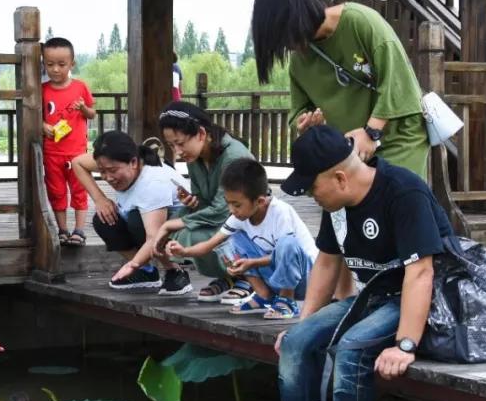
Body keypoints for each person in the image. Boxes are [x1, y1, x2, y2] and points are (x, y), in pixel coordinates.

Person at [241, 125, 452, 401]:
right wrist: (301, 324)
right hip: (374, 294)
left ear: (339, 177)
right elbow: (326, 261)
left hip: (424, 294)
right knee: (298, 340)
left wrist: (405, 343)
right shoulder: (337, 206)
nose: (309, 195)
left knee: (352, 346)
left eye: (311, 187)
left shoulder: (403, 191)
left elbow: (422, 272)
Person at [251, 0, 429, 178]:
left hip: (398, 138)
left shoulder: (360, 22)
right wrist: (306, 124)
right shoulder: (299, 62)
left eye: (280, 38)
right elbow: (298, 111)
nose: (284, 47)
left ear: (292, 21)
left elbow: (397, 83)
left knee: (396, 198)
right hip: (351, 150)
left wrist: (371, 133)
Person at [165, 158, 317, 320]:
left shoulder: (281, 213)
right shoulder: (240, 217)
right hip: (274, 278)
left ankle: (287, 300)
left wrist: (251, 263)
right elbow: (211, 244)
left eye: (236, 205)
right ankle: (263, 295)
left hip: (306, 279)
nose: (232, 210)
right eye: (228, 203)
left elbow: (285, 254)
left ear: (259, 201)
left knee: (287, 244)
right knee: (232, 239)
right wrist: (184, 251)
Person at [151, 102, 255, 304]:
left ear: (200, 133)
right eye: (172, 145)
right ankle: (230, 276)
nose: (177, 152)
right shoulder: (195, 158)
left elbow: (221, 210)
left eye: (180, 143)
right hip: (226, 223)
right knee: (175, 227)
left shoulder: (234, 155)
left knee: (188, 232)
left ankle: (250, 276)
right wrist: (193, 203)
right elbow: (206, 201)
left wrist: (171, 224)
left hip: (249, 226)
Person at [71, 131, 192, 295]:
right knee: (104, 219)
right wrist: (100, 199)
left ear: (134, 162)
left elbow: (154, 237)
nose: (108, 177)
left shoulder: (153, 182)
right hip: (146, 224)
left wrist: (132, 265)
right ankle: (146, 272)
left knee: (136, 219)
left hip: (183, 235)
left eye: (112, 170)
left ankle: (174, 270)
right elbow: (77, 162)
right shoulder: (113, 162)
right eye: (102, 171)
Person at [41, 36, 96, 247]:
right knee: (56, 191)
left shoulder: (80, 87)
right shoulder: (42, 90)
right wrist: (42, 125)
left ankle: (79, 230)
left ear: (72, 64)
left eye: (61, 64)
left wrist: (83, 109)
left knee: (79, 189)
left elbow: (92, 113)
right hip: (52, 151)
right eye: (50, 64)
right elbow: (35, 115)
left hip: (77, 153)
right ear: (44, 64)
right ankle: (62, 230)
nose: (55, 69)